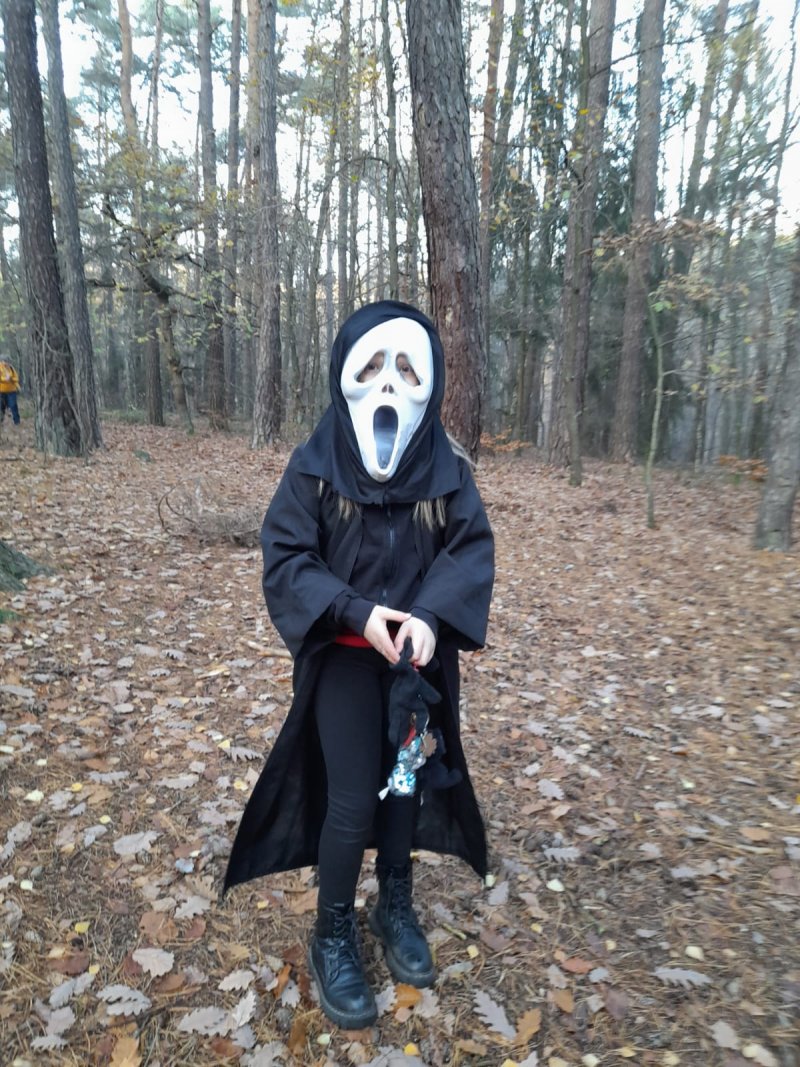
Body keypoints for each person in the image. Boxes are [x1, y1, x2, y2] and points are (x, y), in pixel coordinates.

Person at [224, 300, 494, 1030]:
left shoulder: (447, 471)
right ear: (342, 372)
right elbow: (287, 555)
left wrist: (429, 616)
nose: (388, 384)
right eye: (371, 366)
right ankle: (333, 931)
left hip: (414, 670)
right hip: (344, 664)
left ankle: (393, 905)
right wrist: (353, 611)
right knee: (351, 799)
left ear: (431, 383)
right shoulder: (314, 466)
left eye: (406, 369)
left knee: (404, 786)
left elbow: (468, 550)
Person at [0, 359, 21, 426]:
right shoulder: (0, 368)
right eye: (5, 361)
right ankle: (1, 420)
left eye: (8, 362)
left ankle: (17, 422)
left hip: (12, 391)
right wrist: (5, 379)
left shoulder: (11, 368)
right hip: (1, 391)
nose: (7, 363)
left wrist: (11, 378)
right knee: (1, 407)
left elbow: (16, 378)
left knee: (13, 406)